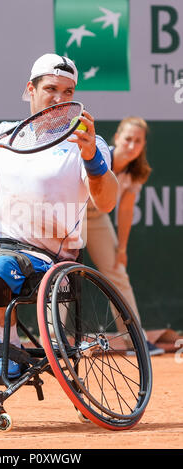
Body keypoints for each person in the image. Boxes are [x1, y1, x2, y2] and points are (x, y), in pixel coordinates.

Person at [0, 53, 118, 378]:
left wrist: (92, 158)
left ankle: (11, 354)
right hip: (0, 247)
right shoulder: (4, 134)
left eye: (68, 92)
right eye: (51, 89)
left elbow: (105, 201)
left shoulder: (88, 144)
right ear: (30, 89)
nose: (59, 99)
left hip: (53, 257)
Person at [86, 116, 164, 355]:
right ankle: (56, 345)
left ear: (143, 145)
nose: (132, 145)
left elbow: (126, 211)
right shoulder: (101, 157)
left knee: (117, 273)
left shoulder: (136, 172)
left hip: (98, 219)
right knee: (62, 274)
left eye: (138, 141)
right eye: (128, 139)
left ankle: (135, 341)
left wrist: (122, 249)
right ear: (117, 138)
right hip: (72, 214)